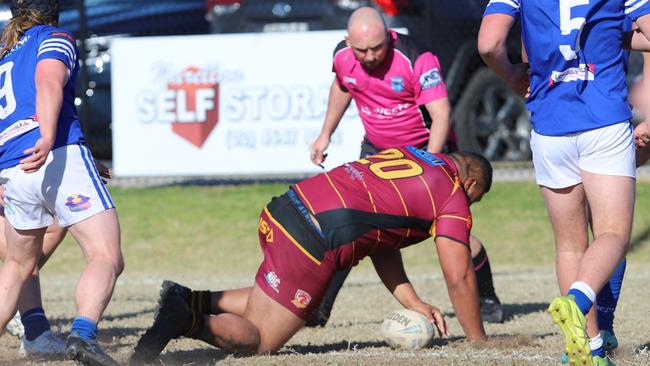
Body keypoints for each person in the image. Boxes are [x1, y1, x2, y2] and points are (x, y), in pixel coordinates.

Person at [131, 147, 492, 363]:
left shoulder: (411, 153)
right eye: (474, 201)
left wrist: (411, 300)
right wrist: (477, 339)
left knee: (270, 299)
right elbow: (458, 275)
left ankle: (187, 300)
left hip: (285, 209)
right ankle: (186, 320)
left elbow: (380, 242)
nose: (469, 207)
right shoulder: (452, 194)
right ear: (472, 184)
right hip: (315, 239)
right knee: (259, 340)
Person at [478, 1, 650, 365]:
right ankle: (577, 300)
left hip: (549, 123)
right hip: (603, 118)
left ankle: (591, 350)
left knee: (570, 245)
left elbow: (489, 44)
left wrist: (512, 76)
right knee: (613, 234)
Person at [308, 6, 503, 327]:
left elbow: (441, 116)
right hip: (378, 153)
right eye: (362, 50)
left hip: (427, 151)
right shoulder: (342, 56)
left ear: (390, 35)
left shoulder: (417, 58)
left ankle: (486, 298)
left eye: (377, 47)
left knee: (450, 231)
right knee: (354, 228)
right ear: (347, 42)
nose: (370, 56)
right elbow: (343, 87)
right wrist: (324, 134)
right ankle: (320, 309)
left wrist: (430, 164)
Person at [0, 1, 124, 365]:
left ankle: (36, 332)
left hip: (14, 168)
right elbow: (48, 82)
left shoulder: (4, 54)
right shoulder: (55, 37)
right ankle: (83, 335)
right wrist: (49, 136)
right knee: (105, 255)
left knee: (17, 266)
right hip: (54, 153)